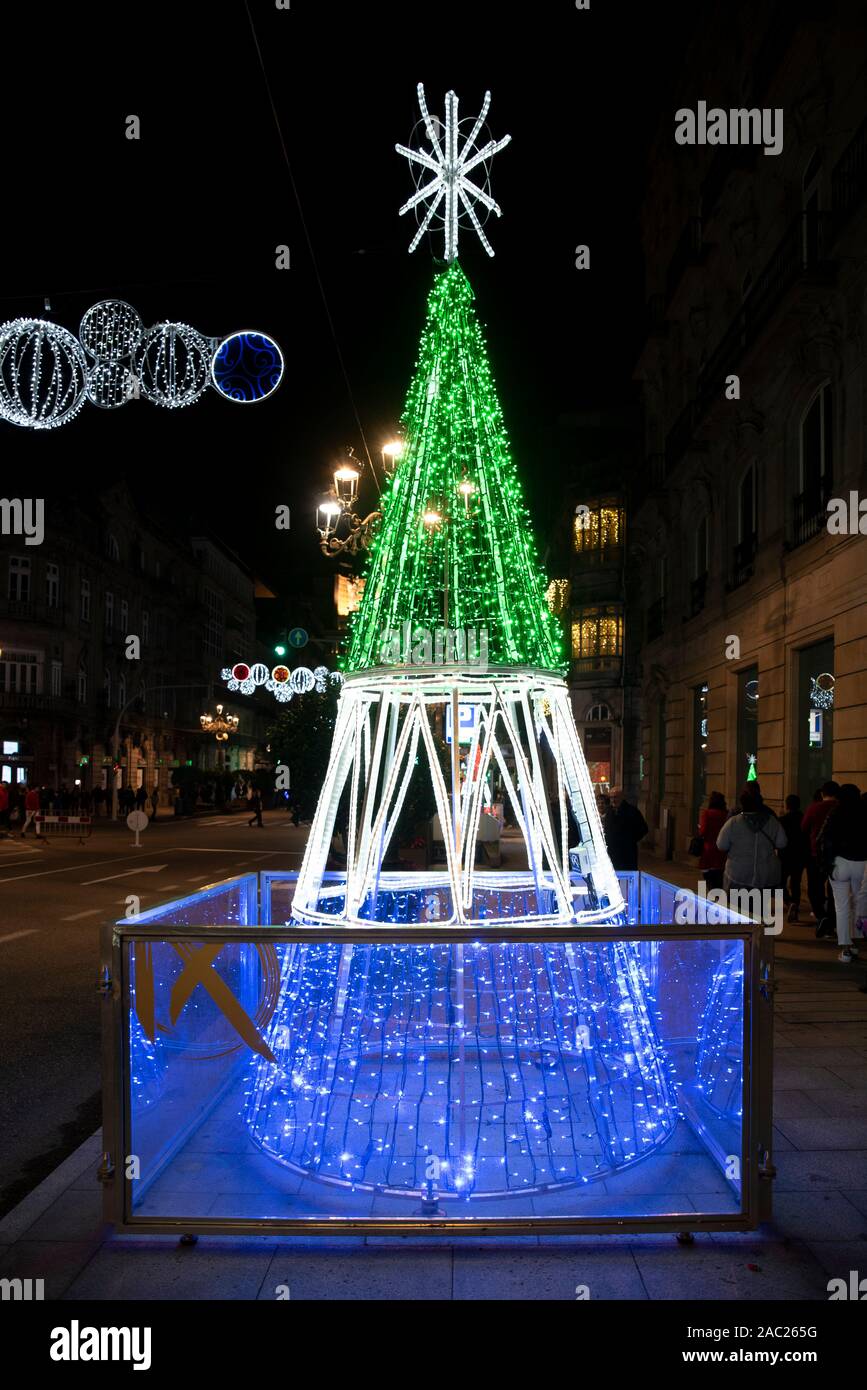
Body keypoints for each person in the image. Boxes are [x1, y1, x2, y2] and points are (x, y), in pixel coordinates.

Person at [816, 783, 867, 964]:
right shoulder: (864, 812)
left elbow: (822, 838)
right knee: (857, 904)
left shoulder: (835, 812)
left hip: (839, 863)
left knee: (842, 906)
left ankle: (846, 948)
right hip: (861, 863)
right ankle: (856, 941)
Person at [716, 785, 787, 891]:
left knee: (737, 906)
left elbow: (721, 845)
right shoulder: (772, 821)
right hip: (766, 876)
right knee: (761, 906)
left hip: (738, 874)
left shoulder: (734, 822)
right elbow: (782, 843)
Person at [802, 781, 840, 936]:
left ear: (823, 793)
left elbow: (804, 828)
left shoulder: (814, 808)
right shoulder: (841, 808)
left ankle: (821, 916)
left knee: (815, 888)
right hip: (838, 856)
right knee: (834, 892)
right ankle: (831, 922)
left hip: (816, 854)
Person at [602, 787, 648, 871]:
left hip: (626, 853)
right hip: (612, 852)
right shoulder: (609, 811)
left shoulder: (632, 811)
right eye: (611, 797)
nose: (613, 800)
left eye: (615, 797)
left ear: (621, 797)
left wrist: (630, 840)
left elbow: (643, 829)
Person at [779, 794, 806, 923]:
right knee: (796, 883)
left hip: (785, 855)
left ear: (787, 805)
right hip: (799, 855)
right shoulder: (804, 818)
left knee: (780, 882)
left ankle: (789, 902)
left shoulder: (782, 820)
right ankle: (794, 905)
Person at [697, 791, 728, 891]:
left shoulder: (707, 814)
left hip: (709, 852)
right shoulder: (726, 814)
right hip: (722, 852)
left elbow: (703, 832)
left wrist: (699, 828)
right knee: (720, 882)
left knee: (710, 883)